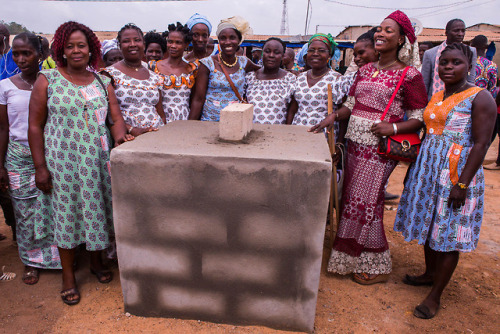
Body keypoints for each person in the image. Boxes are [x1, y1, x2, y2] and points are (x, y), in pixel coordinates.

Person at [311, 10, 428, 284]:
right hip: (354, 145)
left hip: (379, 150)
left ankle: (377, 261)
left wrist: (394, 127)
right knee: (358, 202)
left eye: (389, 31)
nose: (381, 34)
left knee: (364, 203)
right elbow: (351, 105)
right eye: (379, 29)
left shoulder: (409, 76)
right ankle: (364, 258)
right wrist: (333, 116)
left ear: (401, 40)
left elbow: (420, 117)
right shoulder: (364, 70)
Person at [28, 21, 132, 305]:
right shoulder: (47, 79)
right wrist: (40, 167)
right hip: (62, 164)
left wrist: (121, 138)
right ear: (61, 49)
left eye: (81, 46)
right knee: (66, 215)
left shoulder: (102, 80)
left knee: (96, 209)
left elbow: (115, 119)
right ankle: (68, 277)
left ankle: (97, 263)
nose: (76, 51)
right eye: (70, 46)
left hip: (97, 162)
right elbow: (35, 126)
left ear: (91, 49)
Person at [394, 43, 496, 319]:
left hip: (456, 173)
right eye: (444, 63)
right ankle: (429, 274)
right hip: (427, 170)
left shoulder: (480, 97)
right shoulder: (438, 95)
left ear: (469, 66)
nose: (448, 67)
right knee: (429, 223)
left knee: (448, 232)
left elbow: (481, 144)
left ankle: (435, 295)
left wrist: (461, 185)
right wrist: (412, 173)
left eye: (456, 63)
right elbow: (427, 135)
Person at [0, 32, 62, 285]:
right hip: (17, 156)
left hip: (51, 153)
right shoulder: (5, 86)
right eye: (16, 53)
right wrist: (0, 165)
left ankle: (59, 258)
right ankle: (31, 261)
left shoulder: (53, 82)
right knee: (24, 211)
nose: (21, 58)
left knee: (53, 207)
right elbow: (3, 128)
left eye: (27, 53)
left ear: (41, 54)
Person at [189, 16, 260, 122]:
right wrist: (190, 125)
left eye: (232, 38)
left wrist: (290, 72)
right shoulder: (207, 63)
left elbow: (265, 71)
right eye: (223, 38)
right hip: (209, 122)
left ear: (239, 40)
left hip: (236, 122)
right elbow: (198, 99)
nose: (227, 42)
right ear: (219, 40)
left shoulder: (244, 62)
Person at [102, 23, 165, 136]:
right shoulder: (109, 74)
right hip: (127, 138)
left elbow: (161, 113)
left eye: (137, 40)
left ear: (144, 44)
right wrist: (131, 129)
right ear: (119, 45)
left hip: (156, 137)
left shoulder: (154, 76)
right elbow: (107, 115)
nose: (132, 44)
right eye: (126, 41)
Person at [287, 33, 353, 127]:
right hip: (298, 132)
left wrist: (340, 141)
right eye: (311, 50)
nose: (315, 54)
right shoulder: (299, 78)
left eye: (321, 51)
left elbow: (343, 113)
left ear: (329, 56)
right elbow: (293, 109)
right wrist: (288, 131)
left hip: (324, 133)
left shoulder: (338, 80)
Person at [150, 22, 196, 123]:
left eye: (178, 42)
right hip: (160, 118)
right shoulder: (154, 67)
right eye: (170, 41)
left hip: (184, 119)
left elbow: (194, 99)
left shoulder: (191, 69)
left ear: (186, 45)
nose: (173, 46)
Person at [421, 19, 477, 100]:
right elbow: (424, 83)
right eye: (456, 31)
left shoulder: (470, 51)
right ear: (446, 32)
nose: (460, 34)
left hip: (460, 101)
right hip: (434, 102)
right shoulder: (430, 54)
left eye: (463, 31)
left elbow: (471, 79)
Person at [246, 37, 297, 124]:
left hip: (278, 134)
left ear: (282, 56)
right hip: (251, 133)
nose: (271, 55)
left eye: (276, 52)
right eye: (267, 51)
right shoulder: (250, 77)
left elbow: (292, 110)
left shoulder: (290, 79)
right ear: (262, 53)